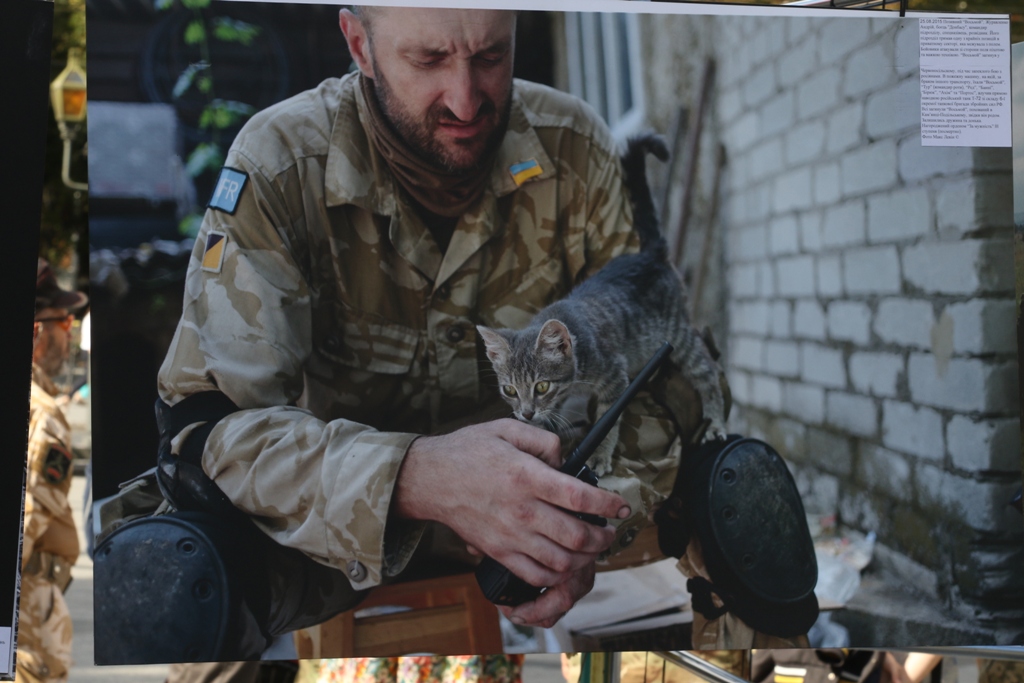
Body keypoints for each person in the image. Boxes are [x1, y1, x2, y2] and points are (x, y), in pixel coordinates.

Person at [153, 5, 728, 660]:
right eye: (428, 60)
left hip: (548, 524)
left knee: (740, 504)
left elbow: (659, 379)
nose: (466, 99)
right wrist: (413, 477)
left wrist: (588, 517)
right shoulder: (282, 166)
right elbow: (208, 432)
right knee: (174, 581)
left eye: (491, 56)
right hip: (337, 536)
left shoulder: (574, 147)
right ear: (359, 45)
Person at [17, 259, 87, 683]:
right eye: (65, 321)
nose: (71, 331)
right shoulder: (44, 417)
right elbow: (26, 518)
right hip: (27, 619)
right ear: (37, 332)